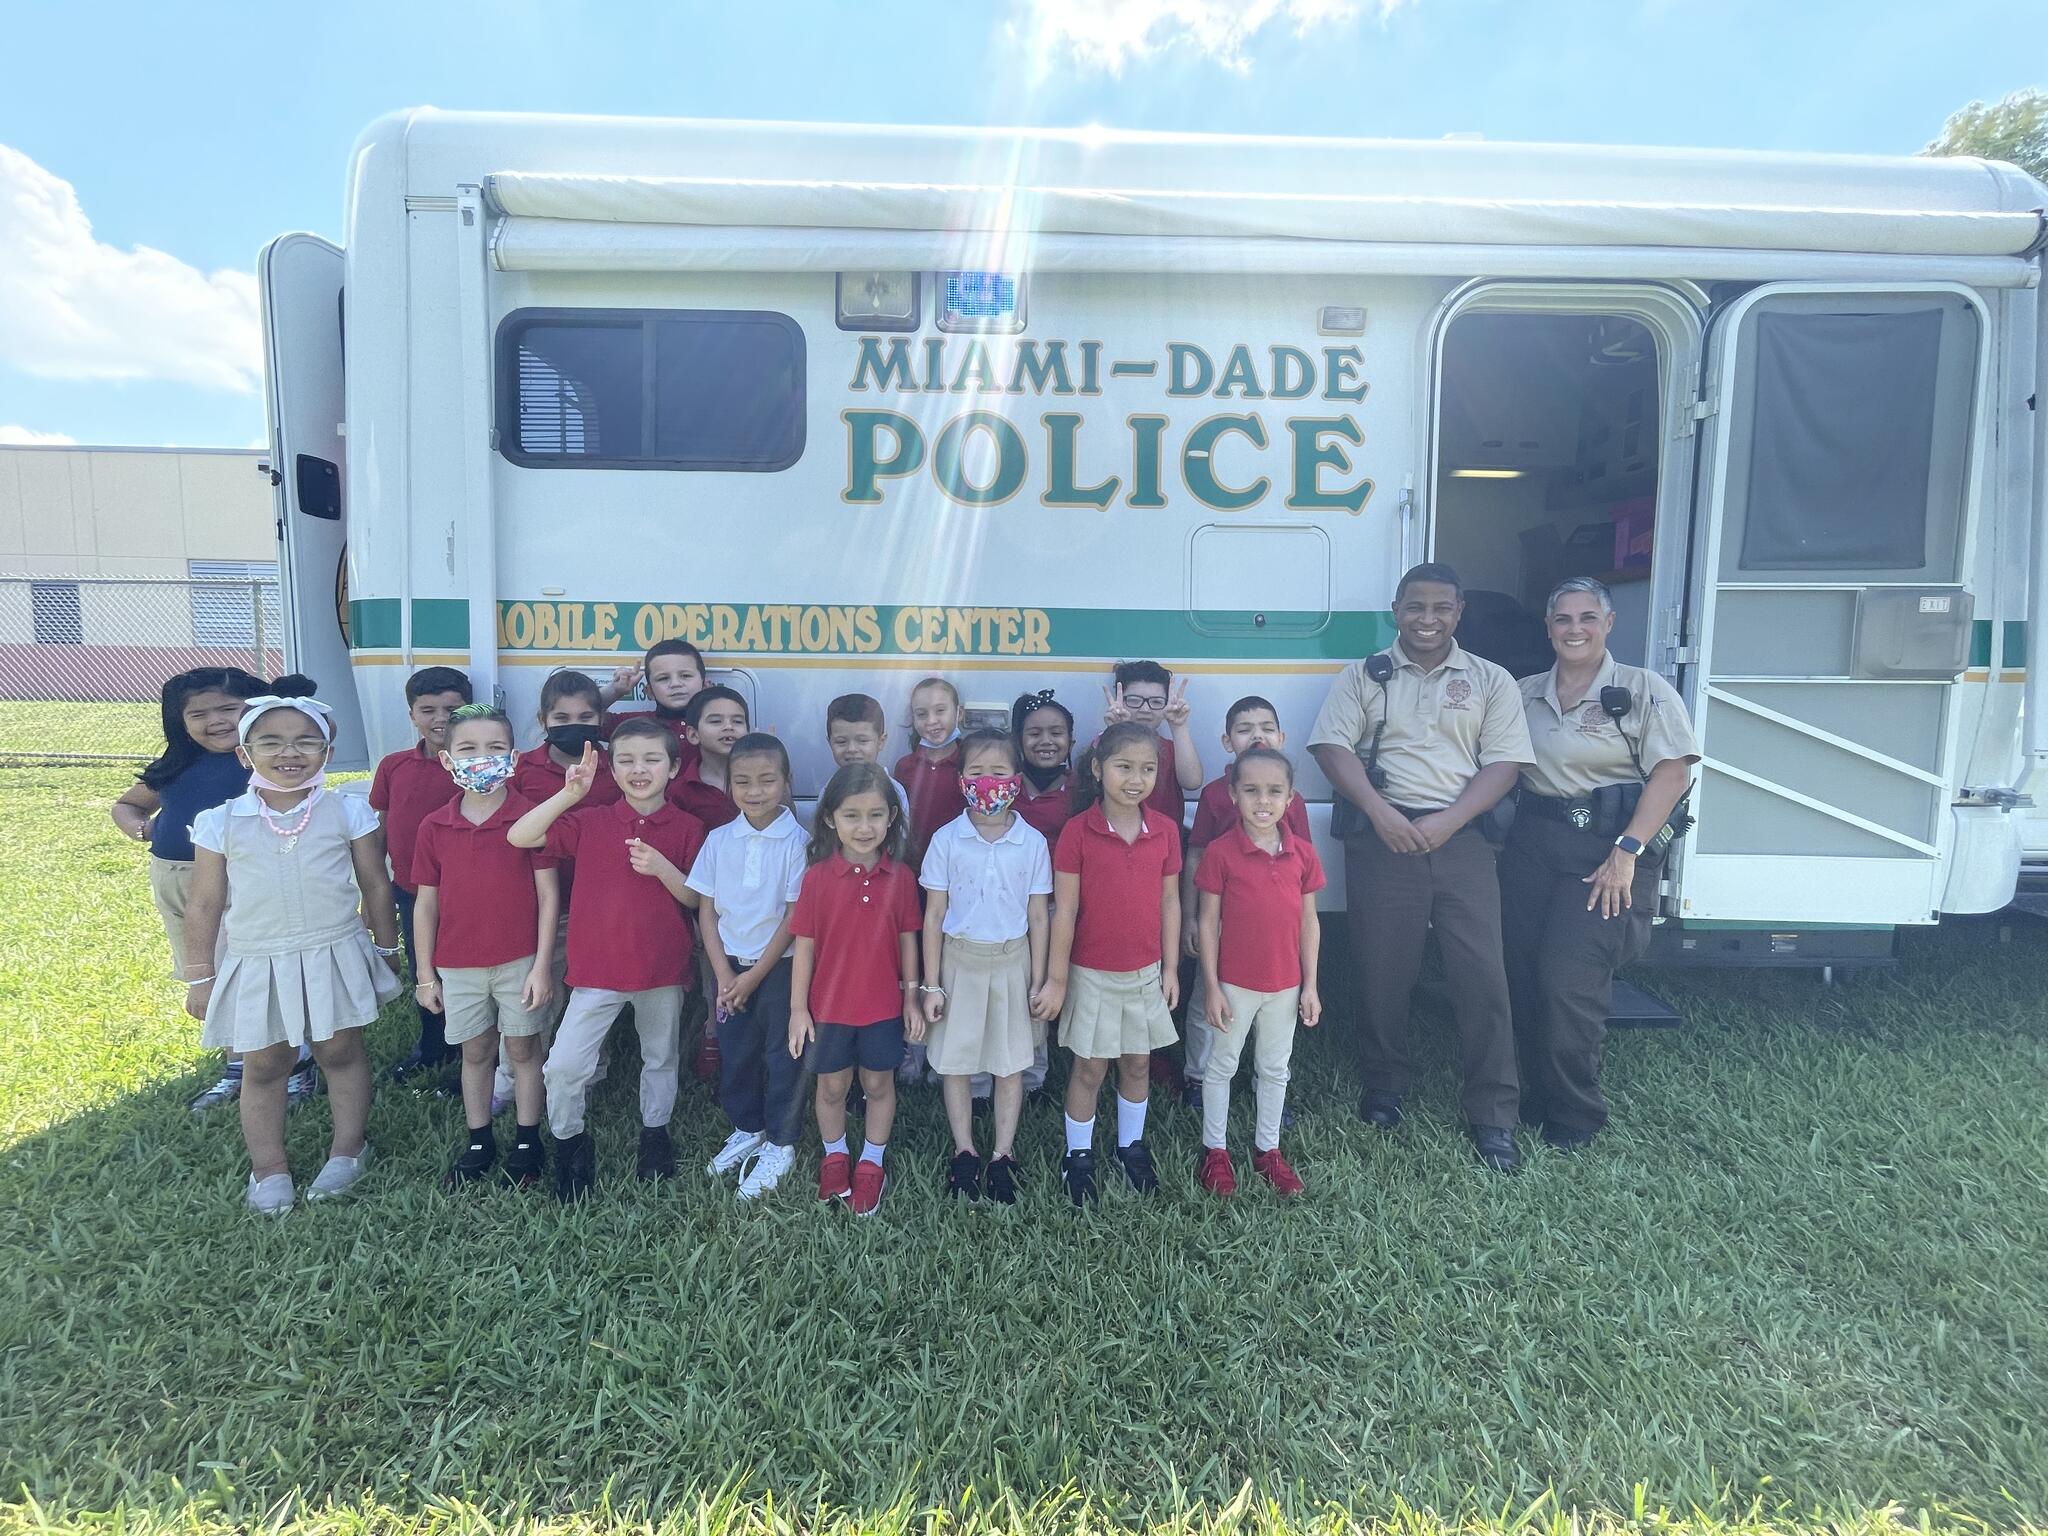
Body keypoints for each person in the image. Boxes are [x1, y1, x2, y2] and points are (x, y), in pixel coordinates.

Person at [1308, 561, 1535, 1173]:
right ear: (1395, 609)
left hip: (1461, 841)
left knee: (1482, 975)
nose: (1427, 619)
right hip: (1383, 836)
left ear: (1460, 612)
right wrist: (1379, 812)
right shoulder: (1364, 676)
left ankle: (1493, 1111)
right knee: (1384, 969)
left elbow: (1505, 764)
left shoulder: (1492, 680)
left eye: (1441, 608)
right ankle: (1385, 1084)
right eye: (1415, 607)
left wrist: (1451, 820)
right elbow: (1332, 746)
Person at [181, 690, 403, 1214]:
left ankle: (348, 1150)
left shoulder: (348, 809)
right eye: (272, 742)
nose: (290, 753)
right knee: (265, 1062)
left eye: (307, 741)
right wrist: (198, 975)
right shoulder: (222, 820)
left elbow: (374, 884)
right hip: (259, 958)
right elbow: (205, 903)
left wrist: (386, 945)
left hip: (332, 950)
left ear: (327, 751)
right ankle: (268, 1169)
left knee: (340, 1051)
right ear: (244, 753)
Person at [1502, 576, 1700, 1151]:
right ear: (1548, 627)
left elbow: (1672, 772)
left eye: (1588, 618)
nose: (1575, 629)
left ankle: (1574, 1114)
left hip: (1608, 850)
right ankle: (1529, 1095)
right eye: (1563, 619)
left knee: (1569, 982)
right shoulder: (1523, 691)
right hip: (1532, 842)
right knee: (1520, 975)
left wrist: (1629, 851)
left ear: (1609, 624)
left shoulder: (1644, 689)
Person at [508, 725, 707, 1202]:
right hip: (596, 972)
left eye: (652, 759)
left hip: (661, 969)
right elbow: (521, 835)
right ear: (613, 769)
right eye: (627, 760)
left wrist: (663, 868)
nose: (639, 770)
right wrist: (567, 794)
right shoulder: (591, 821)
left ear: (674, 768)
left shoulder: (688, 827)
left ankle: (655, 1134)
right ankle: (571, 1141)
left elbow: (698, 898)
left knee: (659, 1056)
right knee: (564, 1065)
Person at [111, 666, 318, 1112]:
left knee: (256, 980)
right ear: (179, 722)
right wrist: (139, 827)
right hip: (176, 883)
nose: (216, 721)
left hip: (239, 884)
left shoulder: (260, 760)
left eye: (229, 708)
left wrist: (284, 700)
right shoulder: (175, 765)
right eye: (199, 714)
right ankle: (238, 1067)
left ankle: (295, 1066)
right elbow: (128, 804)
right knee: (214, 978)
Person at [410, 704, 559, 1189]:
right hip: (457, 965)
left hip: (519, 960)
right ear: (447, 760)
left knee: (523, 1047)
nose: (482, 758)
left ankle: (527, 1138)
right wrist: (425, 975)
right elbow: (425, 905)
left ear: (513, 758)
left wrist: (541, 966)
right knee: (475, 1052)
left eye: (495, 748)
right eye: (468, 749)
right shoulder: (435, 826)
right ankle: (479, 1139)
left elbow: (547, 896)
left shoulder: (530, 820)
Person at [1037, 721, 1182, 1206]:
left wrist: (1172, 969)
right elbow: (1067, 909)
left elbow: (1169, 902)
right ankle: (1077, 1156)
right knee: (1090, 1068)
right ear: (1098, 769)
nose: (1136, 779)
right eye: (1124, 767)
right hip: (1091, 972)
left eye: (1148, 768)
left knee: (1138, 1062)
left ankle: (1130, 1146)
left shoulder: (1163, 831)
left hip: (1145, 972)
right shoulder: (1078, 832)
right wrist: (1057, 979)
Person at [919, 730, 1052, 1204]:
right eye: (977, 772)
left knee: (1010, 1062)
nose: (988, 782)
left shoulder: (1031, 842)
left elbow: (1039, 915)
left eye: (999, 772)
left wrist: (1040, 980)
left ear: (1016, 780)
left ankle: (1002, 1153)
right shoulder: (946, 839)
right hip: (958, 961)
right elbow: (933, 915)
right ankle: (964, 1150)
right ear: (960, 779)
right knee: (955, 1062)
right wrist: (930, 984)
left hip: (1012, 962)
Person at [786, 762, 925, 1216]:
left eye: (875, 815)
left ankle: (871, 1160)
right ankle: (835, 1155)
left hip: (882, 1006)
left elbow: (908, 940)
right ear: (830, 818)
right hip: (827, 1009)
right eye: (851, 815)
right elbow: (803, 947)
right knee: (830, 1087)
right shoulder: (817, 878)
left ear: (891, 818)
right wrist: (797, 1010)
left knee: (877, 1084)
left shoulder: (901, 878)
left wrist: (911, 997)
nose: (864, 827)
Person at [1192, 746, 1323, 1198]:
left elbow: (1310, 922)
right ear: (1233, 795)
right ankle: (1216, 1150)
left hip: (1285, 985)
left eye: (1274, 792)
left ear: (1291, 798)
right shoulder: (1220, 853)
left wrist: (1311, 985)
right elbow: (1208, 922)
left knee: (1274, 1068)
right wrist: (1211, 987)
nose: (1262, 801)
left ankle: (1268, 1149)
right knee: (1222, 1065)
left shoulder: (1303, 855)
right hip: (1234, 983)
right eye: (1251, 791)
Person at [688, 732, 807, 1201]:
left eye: (766, 780)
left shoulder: (798, 842)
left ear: (786, 781)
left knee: (782, 1056)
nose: (754, 791)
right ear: (729, 786)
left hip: (778, 970)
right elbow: (707, 910)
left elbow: (796, 919)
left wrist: (752, 977)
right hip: (728, 968)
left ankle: (781, 1141)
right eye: (743, 782)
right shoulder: (719, 840)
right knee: (736, 1052)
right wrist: (723, 975)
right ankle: (747, 1126)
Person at [1179, 695, 1310, 1109]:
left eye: (1267, 727)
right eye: (1244, 728)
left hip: (1271, 932)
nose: (1257, 735)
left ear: (1281, 736)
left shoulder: (1294, 800)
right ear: (1226, 741)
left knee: (1273, 1009)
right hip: (1219, 920)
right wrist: (1189, 916)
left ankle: (1267, 1084)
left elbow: (1304, 869)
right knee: (1207, 997)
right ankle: (1199, 1077)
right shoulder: (1216, 794)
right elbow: (1197, 854)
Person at [371, 665, 469, 1085]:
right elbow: (382, 826)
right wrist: (373, 889)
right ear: (412, 715)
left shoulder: (481, 766)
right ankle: (432, 1046)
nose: (440, 718)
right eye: (428, 709)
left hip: (471, 895)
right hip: (412, 890)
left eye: (452, 708)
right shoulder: (394, 767)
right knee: (425, 969)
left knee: (471, 973)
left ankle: (475, 1052)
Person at [1096, 661, 1203, 827]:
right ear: (1120, 700)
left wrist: (1178, 726)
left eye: (1156, 702)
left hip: (1164, 842)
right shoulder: (1100, 744)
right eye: (1134, 700)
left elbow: (1192, 782)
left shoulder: (1169, 748)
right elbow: (1089, 786)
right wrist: (1116, 732)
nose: (1145, 709)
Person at [599, 638, 708, 773]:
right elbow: (585, 717)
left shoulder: (717, 723)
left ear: (705, 685)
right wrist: (614, 691)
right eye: (663, 678)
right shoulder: (635, 724)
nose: (675, 684)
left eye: (685, 675)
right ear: (649, 692)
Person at [893, 675, 965, 864]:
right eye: (922, 714)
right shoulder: (904, 767)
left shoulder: (969, 764)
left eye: (940, 711)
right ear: (913, 719)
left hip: (959, 864)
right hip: (915, 864)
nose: (931, 720)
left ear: (959, 713)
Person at [670, 685, 746, 831]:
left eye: (737, 721)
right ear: (693, 735)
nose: (729, 727)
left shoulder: (759, 781)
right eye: (716, 721)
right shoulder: (681, 791)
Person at [823, 693, 911, 815]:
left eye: (862, 741)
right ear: (830, 743)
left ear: (881, 741)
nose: (852, 749)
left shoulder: (895, 792)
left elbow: (901, 833)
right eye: (841, 742)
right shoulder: (828, 790)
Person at [1010, 689, 1075, 845]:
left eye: (1056, 733)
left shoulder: (1081, 789)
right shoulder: (1006, 786)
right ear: (1019, 741)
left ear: (1071, 743)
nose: (1046, 741)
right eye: (1034, 734)